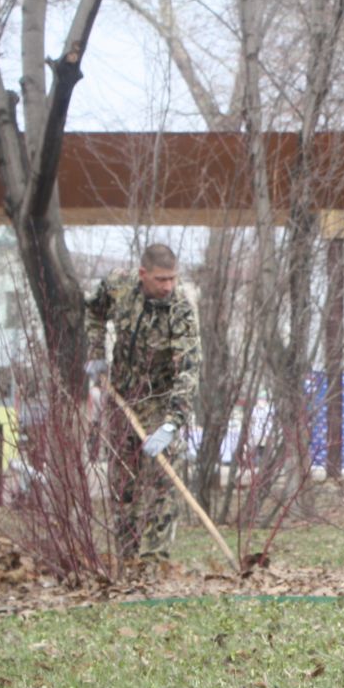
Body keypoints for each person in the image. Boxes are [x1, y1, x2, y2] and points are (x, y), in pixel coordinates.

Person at [86, 242, 202, 566]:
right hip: (122, 396)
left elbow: (188, 373)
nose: (168, 286)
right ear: (142, 274)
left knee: (164, 480)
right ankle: (128, 558)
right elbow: (93, 311)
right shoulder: (119, 286)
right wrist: (95, 353)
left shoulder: (180, 311)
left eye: (172, 279)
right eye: (161, 279)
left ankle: (154, 560)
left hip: (161, 400)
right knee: (123, 481)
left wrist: (171, 423)